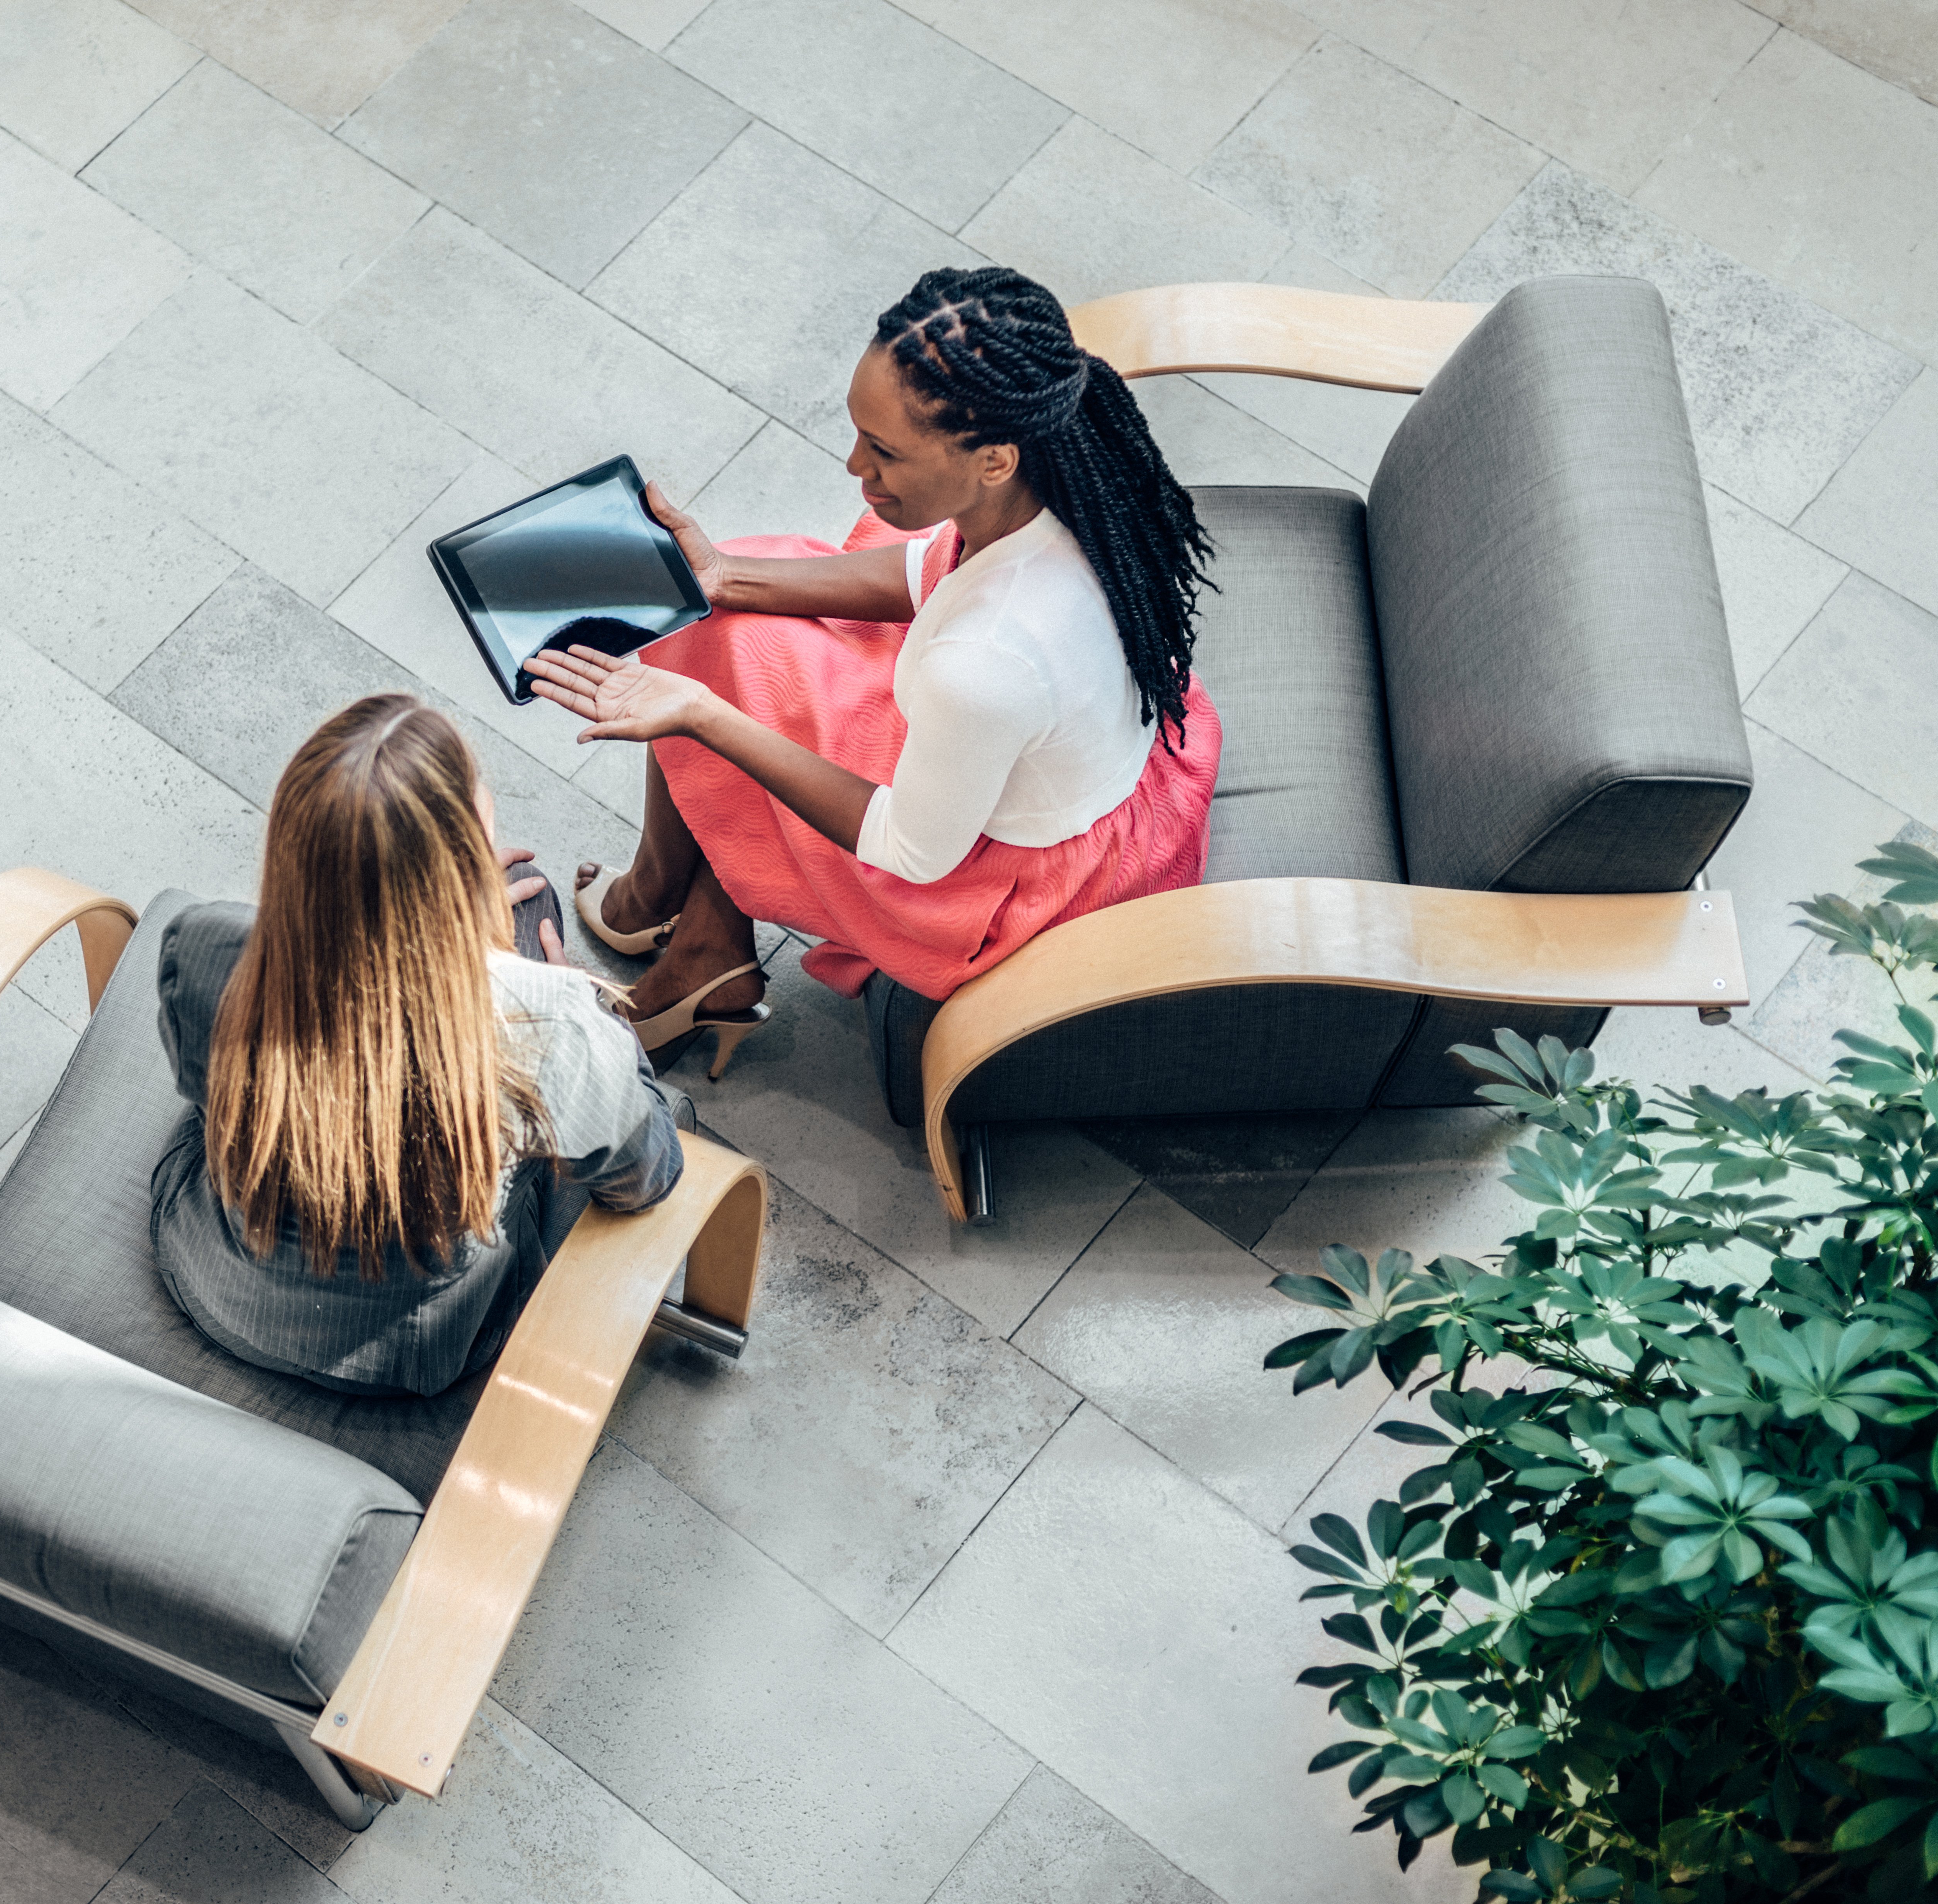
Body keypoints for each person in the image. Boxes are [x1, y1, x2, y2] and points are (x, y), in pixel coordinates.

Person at [521, 265, 1224, 1076]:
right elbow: (924, 572)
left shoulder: (989, 659)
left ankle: (681, 929)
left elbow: (910, 851)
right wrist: (724, 576)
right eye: (859, 432)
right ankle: (681, 912)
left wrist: (704, 716)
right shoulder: (1054, 484)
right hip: (1043, 761)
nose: (857, 466)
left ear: (992, 459)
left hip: (991, 881)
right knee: (734, 601)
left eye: (885, 452)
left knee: (721, 693)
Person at [148, 693, 686, 1398]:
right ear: (457, 868)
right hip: (413, 1351)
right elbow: (649, 1175)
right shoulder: (545, 1023)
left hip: (209, 1273)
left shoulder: (205, 945)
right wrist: (580, 1007)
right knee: (533, 903)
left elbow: (201, 1090)